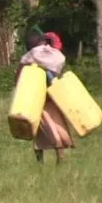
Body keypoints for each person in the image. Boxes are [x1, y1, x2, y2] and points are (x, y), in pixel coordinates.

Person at [18, 29, 72, 164]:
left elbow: (19, 76)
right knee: (50, 128)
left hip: (39, 100)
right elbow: (60, 74)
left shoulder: (32, 56)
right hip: (53, 98)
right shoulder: (55, 56)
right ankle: (55, 160)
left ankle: (54, 160)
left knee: (47, 130)